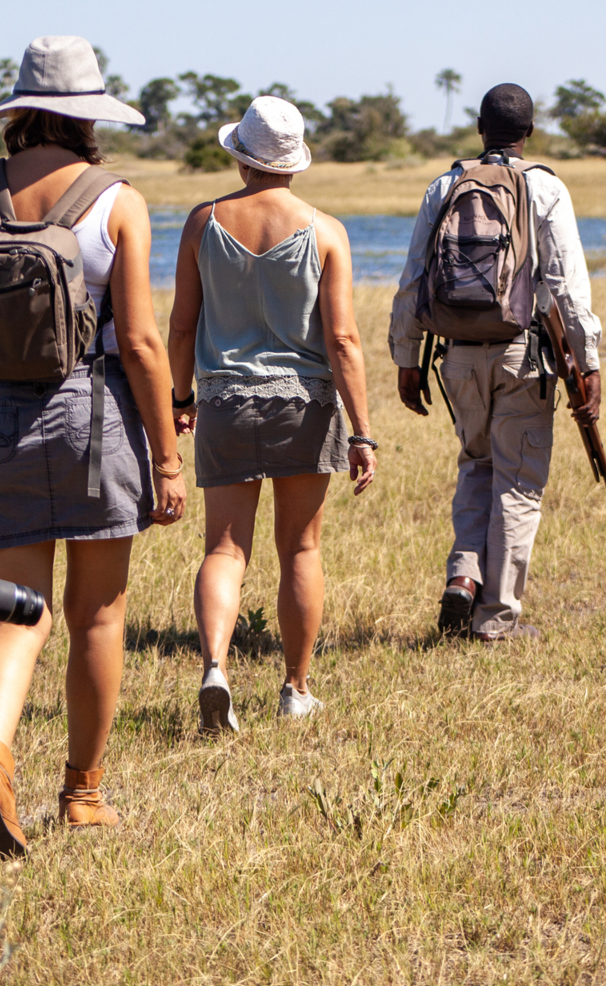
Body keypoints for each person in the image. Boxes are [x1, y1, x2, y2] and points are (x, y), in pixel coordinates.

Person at [0, 36, 186, 859]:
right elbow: (143, 344)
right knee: (99, 614)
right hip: (97, 416)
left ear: (19, 113)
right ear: (90, 118)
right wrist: (170, 462)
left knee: (15, 611)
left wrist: (11, 359)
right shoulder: (119, 201)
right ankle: (82, 792)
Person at [166, 96, 377, 733]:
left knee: (225, 549)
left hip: (226, 402)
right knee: (301, 548)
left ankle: (214, 669)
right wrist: (363, 432)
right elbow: (342, 341)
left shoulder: (203, 223)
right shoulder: (325, 229)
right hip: (304, 406)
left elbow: (181, 325)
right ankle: (295, 687)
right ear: (293, 162)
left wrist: (181, 399)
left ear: (241, 159)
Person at [387, 83, 603, 643]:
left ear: (480, 130)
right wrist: (588, 363)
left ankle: (464, 573)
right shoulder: (545, 188)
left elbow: (412, 280)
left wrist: (408, 358)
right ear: (528, 134)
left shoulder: (445, 184)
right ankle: (495, 620)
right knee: (518, 484)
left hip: (455, 358)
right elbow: (566, 288)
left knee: (475, 463)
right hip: (522, 358)